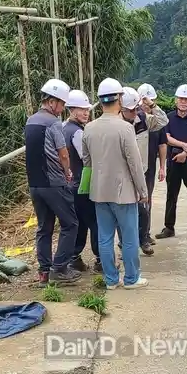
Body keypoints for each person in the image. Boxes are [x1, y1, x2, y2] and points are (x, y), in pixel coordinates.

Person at [82, 77, 149, 290]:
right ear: (119, 99)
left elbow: (87, 162)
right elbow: (135, 164)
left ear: (100, 101)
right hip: (124, 193)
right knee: (129, 238)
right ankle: (131, 278)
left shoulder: (89, 128)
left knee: (105, 237)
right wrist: (143, 191)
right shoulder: (125, 128)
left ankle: (111, 280)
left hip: (99, 192)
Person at [25, 79, 81, 287]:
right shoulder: (53, 123)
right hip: (54, 182)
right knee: (70, 223)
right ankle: (60, 268)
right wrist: (67, 172)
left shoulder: (30, 121)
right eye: (62, 104)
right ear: (51, 102)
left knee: (44, 227)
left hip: (35, 184)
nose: (63, 108)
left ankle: (44, 273)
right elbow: (63, 153)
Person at [120, 86, 168, 255]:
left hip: (143, 170)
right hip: (123, 173)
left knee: (144, 207)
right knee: (124, 210)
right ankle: (125, 243)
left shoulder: (143, 119)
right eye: (130, 110)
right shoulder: (116, 123)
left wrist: (152, 104)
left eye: (136, 108)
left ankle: (143, 239)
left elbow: (163, 121)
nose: (134, 112)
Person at [63, 90, 101, 273]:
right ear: (71, 110)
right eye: (82, 109)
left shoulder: (64, 128)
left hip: (70, 185)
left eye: (87, 109)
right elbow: (87, 158)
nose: (86, 113)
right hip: (83, 185)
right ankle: (101, 259)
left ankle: (74, 258)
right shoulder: (77, 132)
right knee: (95, 222)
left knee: (79, 223)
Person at [156, 84, 187, 239]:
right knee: (171, 195)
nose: (183, 102)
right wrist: (184, 146)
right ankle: (169, 227)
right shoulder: (168, 117)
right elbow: (166, 138)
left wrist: (186, 152)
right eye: (181, 98)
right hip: (173, 162)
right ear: (176, 100)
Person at [138, 83, 168, 246]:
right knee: (133, 203)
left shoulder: (156, 122)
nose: (147, 104)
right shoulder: (134, 119)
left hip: (149, 167)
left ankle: (145, 234)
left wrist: (162, 167)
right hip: (134, 167)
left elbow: (162, 145)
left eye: (150, 101)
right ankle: (131, 239)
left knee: (147, 200)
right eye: (144, 101)